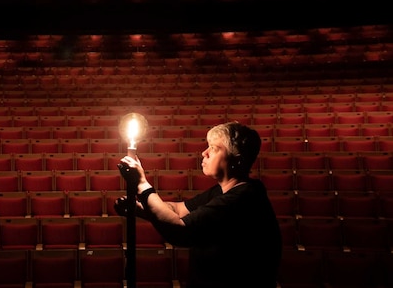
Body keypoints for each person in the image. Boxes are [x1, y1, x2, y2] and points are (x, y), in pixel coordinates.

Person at [116, 121, 282, 288]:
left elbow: (180, 230)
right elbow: (178, 210)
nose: (204, 153)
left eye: (214, 149)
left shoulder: (243, 199)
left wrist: (142, 185)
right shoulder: (223, 191)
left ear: (237, 160)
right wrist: (141, 209)